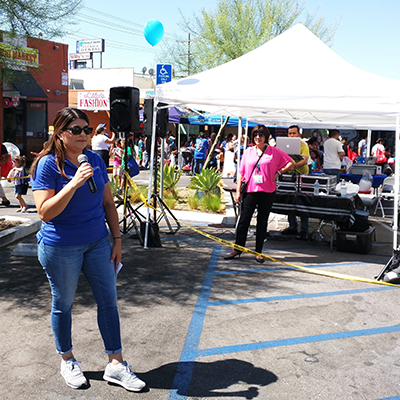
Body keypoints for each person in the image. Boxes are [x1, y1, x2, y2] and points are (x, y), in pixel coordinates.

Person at [30, 107, 145, 392]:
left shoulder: (94, 158)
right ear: (60, 132)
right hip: (60, 245)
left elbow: (108, 204)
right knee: (64, 304)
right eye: (76, 130)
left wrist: (117, 241)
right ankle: (67, 358)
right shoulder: (47, 165)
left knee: (108, 301)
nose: (83, 135)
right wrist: (73, 183)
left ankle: (116, 364)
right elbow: (45, 213)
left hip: (97, 242)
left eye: (87, 129)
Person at [224, 125, 294, 263]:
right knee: (244, 220)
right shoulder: (249, 152)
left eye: (261, 135)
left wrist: (279, 173)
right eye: (255, 134)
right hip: (250, 190)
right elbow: (241, 173)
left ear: (266, 137)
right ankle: (237, 249)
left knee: (262, 222)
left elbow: (291, 162)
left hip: (267, 191)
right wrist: (238, 191)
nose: (258, 137)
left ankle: (258, 251)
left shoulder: (274, 152)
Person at [281, 125, 310, 240]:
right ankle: (292, 226)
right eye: (290, 133)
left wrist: (292, 166)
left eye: (294, 133)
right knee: (290, 201)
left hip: (302, 176)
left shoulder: (303, 145)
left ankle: (304, 229)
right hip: (289, 176)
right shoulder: (285, 145)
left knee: (303, 202)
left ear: (299, 135)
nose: (291, 135)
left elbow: (304, 160)